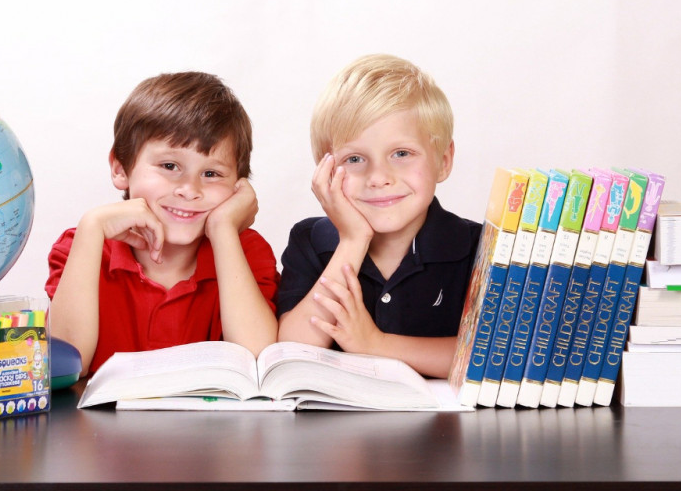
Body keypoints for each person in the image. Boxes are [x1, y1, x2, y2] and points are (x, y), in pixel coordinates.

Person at [46, 72, 279, 376]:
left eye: (212, 174)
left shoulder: (245, 252)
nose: (190, 189)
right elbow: (66, 367)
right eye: (170, 166)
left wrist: (223, 230)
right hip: (100, 425)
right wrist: (92, 227)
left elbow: (259, 363)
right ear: (120, 168)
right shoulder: (82, 246)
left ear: (238, 186)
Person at [276, 54, 481, 378]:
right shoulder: (311, 241)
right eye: (355, 158)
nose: (378, 177)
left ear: (443, 160)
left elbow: (488, 358)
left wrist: (376, 344)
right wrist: (353, 239)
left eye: (401, 154)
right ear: (326, 169)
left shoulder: (476, 247)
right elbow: (292, 349)